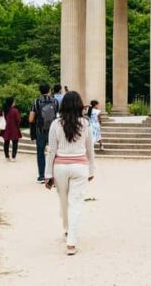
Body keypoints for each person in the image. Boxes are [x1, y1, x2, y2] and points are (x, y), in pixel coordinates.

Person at [45, 91, 95, 255]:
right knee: (76, 203)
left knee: (64, 201)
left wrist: (47, 174)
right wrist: (92, 169)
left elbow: (51, 151)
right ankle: (71, 240)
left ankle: (68, 231)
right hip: (80, 166)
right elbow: (90, 149)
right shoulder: (85, 123)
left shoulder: (55, 124)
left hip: (60, 167)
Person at [30, 83, 59, 183]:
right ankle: (53, 175)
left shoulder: (37, 102)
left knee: (40, 153)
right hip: (53, 130)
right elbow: (58, 115)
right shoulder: (55, 101)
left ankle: (42, 176)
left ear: (40, 91)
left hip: (41, 130)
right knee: (54, 152)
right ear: (49, 90)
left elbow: (31, 118)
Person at [0, 96, 22, 161]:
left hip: (5, 129)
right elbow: (18, 120)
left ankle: (7, 157)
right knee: (15, 143)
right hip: (14, 129)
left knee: (6, 143)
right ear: (12, 102)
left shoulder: (3, 110)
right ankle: (13, 157)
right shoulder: (15, 110)